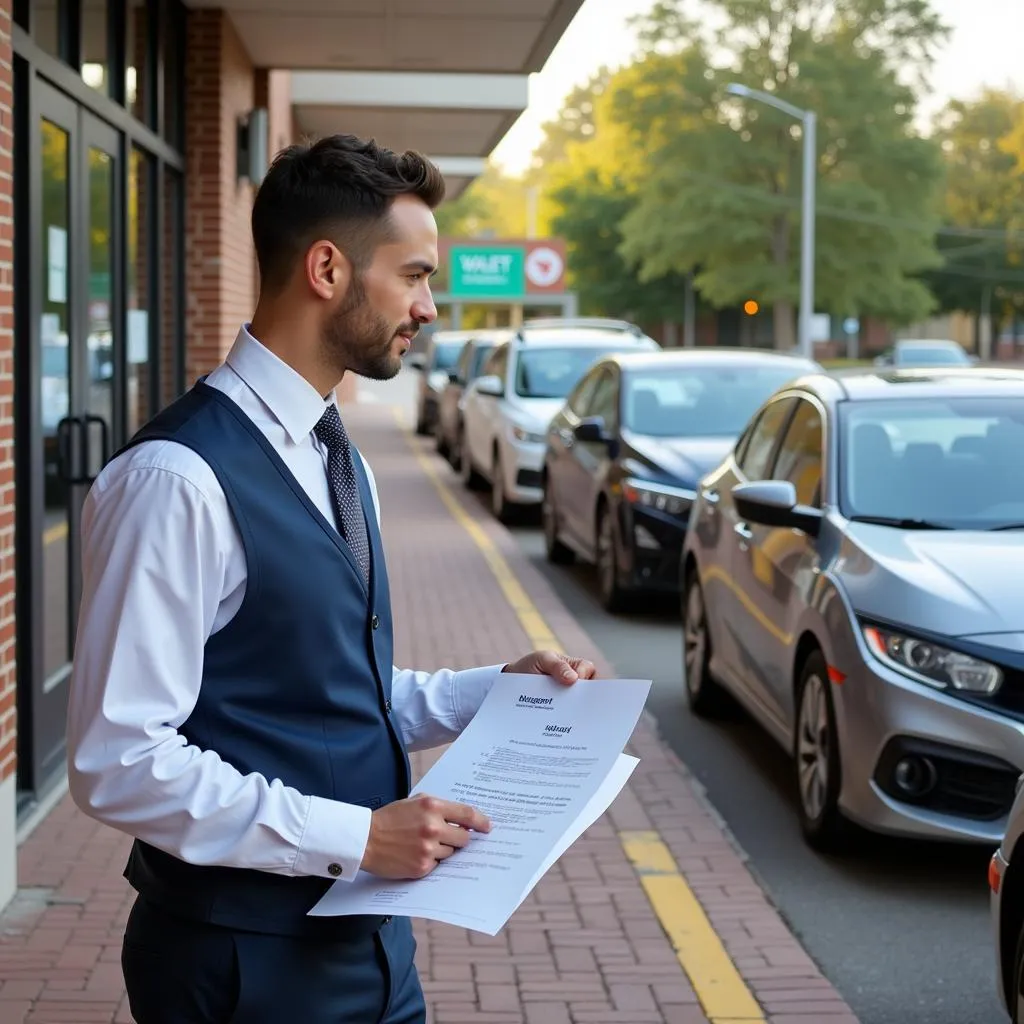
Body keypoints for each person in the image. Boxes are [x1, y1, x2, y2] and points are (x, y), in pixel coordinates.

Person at [65, 133, 597, 1024]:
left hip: (371, 939)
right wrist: (359, 836)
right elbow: (118, 760)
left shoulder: (337, 454)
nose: (430, 306)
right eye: (416, 275)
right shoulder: (176, 479)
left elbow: (313, 689)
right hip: (243, 966)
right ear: (326, 269)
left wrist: (485, 695)